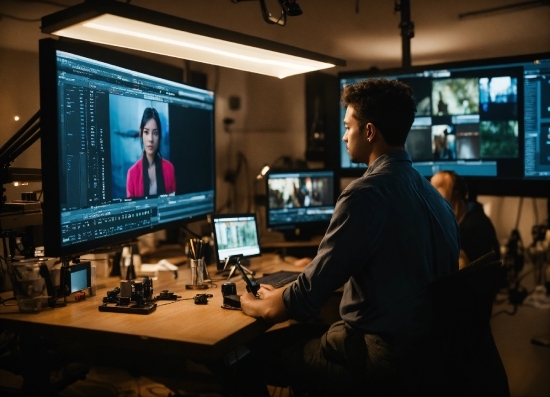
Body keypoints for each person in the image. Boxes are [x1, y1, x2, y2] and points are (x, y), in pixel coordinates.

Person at [238, 78, 460, 396]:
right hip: (427, 358)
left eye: (348, 126)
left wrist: (256, 304)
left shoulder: (364, 194)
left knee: (245, 353)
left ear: (368, 132)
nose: (343, 136)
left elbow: (304, 299)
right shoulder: (434, 197)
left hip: (380, 358)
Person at [430, 170, 500, 269]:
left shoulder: (476, 225)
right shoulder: (457, 220)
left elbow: (461, 265)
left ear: (456, 191)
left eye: (440, 186)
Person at [126, 107, 176, 197]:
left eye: (155, 133)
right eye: (146, 132)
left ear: (159, 135)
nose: (150, 139)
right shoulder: (132, 173)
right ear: (141, 133)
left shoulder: (169, 169)